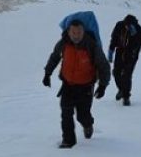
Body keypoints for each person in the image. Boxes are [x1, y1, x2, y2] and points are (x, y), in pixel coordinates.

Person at [43, 19, 110, 149]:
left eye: (79, 32)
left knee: (82, 115)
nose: (76, 35)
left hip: (85, 87)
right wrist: (47, 73)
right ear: (68, 32)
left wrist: (103, 85)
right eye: (73, 32)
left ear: (83, 31)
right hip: (68, 85)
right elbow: (55, 57)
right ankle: (68, 141)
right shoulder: (63, 43)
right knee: (66, 112)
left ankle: (88, 125)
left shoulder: (91, 45)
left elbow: (103, 66)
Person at [108, 14, 141, 106]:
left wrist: (136, 34)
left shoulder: (137, 28)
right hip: (120, 52)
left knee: (127, 75)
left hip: (132, 54)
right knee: (116, 72)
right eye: (126, 24)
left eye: (129, 25)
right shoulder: (119, 25)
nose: (127, 27)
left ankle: (126, 97)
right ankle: (121, 89)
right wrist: (111, 50)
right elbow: (114, 38)